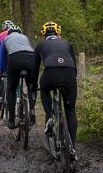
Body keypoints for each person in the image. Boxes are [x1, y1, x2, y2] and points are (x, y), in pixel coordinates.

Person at [33, 21, 78, 152]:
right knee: (70, 111)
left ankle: (49, 117)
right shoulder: (67, 43)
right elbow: (74, 68)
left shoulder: (40, 45)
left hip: (50, 74)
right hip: (69, 75)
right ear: (58, 34)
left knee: (45, 89)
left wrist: (33, 85)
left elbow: (34, 69)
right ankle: (72, 148)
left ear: (43, 35)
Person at [0, 23, 36, 127]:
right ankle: (32, 111)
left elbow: (2, 57)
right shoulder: (25, 37)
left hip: (15, 59)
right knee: (31, 85)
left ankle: (10, 120)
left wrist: (1, 71)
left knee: (11, 89)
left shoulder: (6, 39)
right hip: (30, 58)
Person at [0, 19, 14, 113]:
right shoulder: (17, 34)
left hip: (4, 57)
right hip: (15, 57)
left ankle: (0, 97)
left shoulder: (1, 35)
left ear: (3, 28)